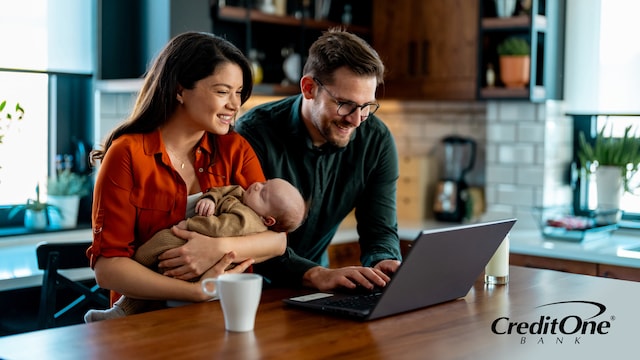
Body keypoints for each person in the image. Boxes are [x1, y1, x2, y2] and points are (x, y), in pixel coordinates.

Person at [86, 31, 287, 312]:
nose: (235, 104)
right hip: (145, 325)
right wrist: (195, 292)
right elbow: (108, 269)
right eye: (222, 91)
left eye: (238, 92)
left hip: (226, 312)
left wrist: (215, 249)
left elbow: (276, 239)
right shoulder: (127, 154)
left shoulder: (236, 149)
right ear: (180, 89)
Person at [235, 27, 402, 292]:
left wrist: (384, 260)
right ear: (309, 88)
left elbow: (379, 228)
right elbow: (242, 234)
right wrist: (313, 274)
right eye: (345, 104)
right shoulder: (253, 134)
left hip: (320, 287)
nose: (357, 120)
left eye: (366, 106)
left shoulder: (376, 141)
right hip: (252, 290)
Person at [85, 178, 307, 322]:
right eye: (265, 182)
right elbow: (222, 191)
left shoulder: (247, 221)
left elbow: (217, 229)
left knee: (152, 252)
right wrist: (210, 198)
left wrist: (189, 225)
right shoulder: (244, 194)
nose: (258, 185)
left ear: (267, 220)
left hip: (195, 254)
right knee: (152, 280)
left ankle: (132, 278)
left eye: (264, 194)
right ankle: (120, 311)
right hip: (194, 271)